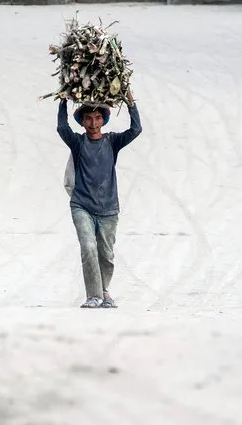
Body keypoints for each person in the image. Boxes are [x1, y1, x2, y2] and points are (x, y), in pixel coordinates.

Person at [56, 91, 142, 308]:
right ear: (82, 122)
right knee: (88, 247)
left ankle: (104, 292)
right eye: (88, 118)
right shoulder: (77, 143)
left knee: (106, 255)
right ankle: (93, 296)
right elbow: (62, 128)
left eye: (97, 118)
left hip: (108, 209)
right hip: (81, 205)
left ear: (103, 120)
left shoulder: (112, 141)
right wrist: (63, 100)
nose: (93, 123)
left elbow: (136, 129)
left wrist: (130, 102)